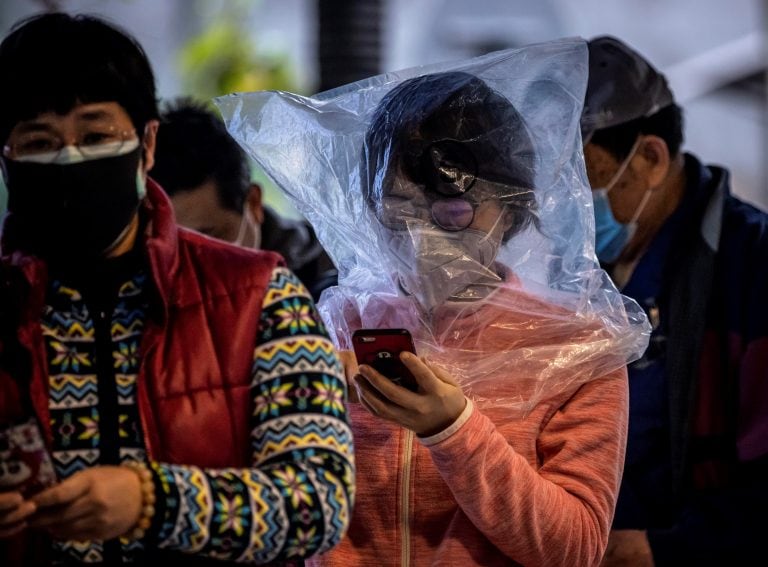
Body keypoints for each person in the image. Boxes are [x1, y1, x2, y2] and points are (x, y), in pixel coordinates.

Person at [218, 38, 651, 566]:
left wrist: (454, 430)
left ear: (513, 207)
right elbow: (273, 508)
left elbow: (575, 548)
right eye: (399, 209)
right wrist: (304, 396)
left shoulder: (575, 351)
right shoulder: (337, 327)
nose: (421, 239)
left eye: (453, 212)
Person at [0, 13, 354, 566]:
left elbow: (318, 502)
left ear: (146, 146)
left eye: (96, 136)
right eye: (40, 142)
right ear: (8, 158)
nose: (70, 160)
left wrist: (153, 501)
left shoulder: (260, 297)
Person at [581, 35, 768, 566]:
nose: (570, 207)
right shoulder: (581, 278)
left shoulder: (750, 267)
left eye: (583, 179)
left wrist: (660, 549)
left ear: (650, 158)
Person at [151, 98, 338, 302]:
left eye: (209, 239)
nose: (194, 263)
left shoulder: (336, 288)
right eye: (174, 246)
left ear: (253, 203)